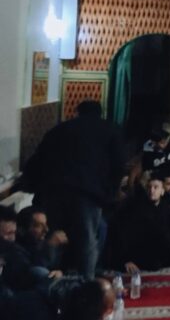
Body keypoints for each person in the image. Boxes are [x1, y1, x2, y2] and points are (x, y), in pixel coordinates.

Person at [20, 100, 125, 280]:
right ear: (100, 113)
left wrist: (33, 187)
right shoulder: (110, 129)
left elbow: (38, 160)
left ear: (77, 112)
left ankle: (51, 280)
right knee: (87, 240)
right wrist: (109, 194)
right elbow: (118, 166)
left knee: (55, 236)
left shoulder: (59, 129)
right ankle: (86, 284)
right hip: (88, 194)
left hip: (54, 192)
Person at [108, 176, 170, 273]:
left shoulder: (165, 205)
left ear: (162, 191)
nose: (152, 190)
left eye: (155, 187)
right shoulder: (140, 208)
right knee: (159, 261)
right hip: (147, 246)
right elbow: (155, 232)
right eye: (149, 187)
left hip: (167, 242)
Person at [16, 207, 67, 271]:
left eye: (45, 224)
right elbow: (36, 270)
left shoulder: (43, 244)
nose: (46, 229)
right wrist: (50, 246)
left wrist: (59, 272)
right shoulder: (17, 251)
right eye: (39, 226)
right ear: (22, 230)